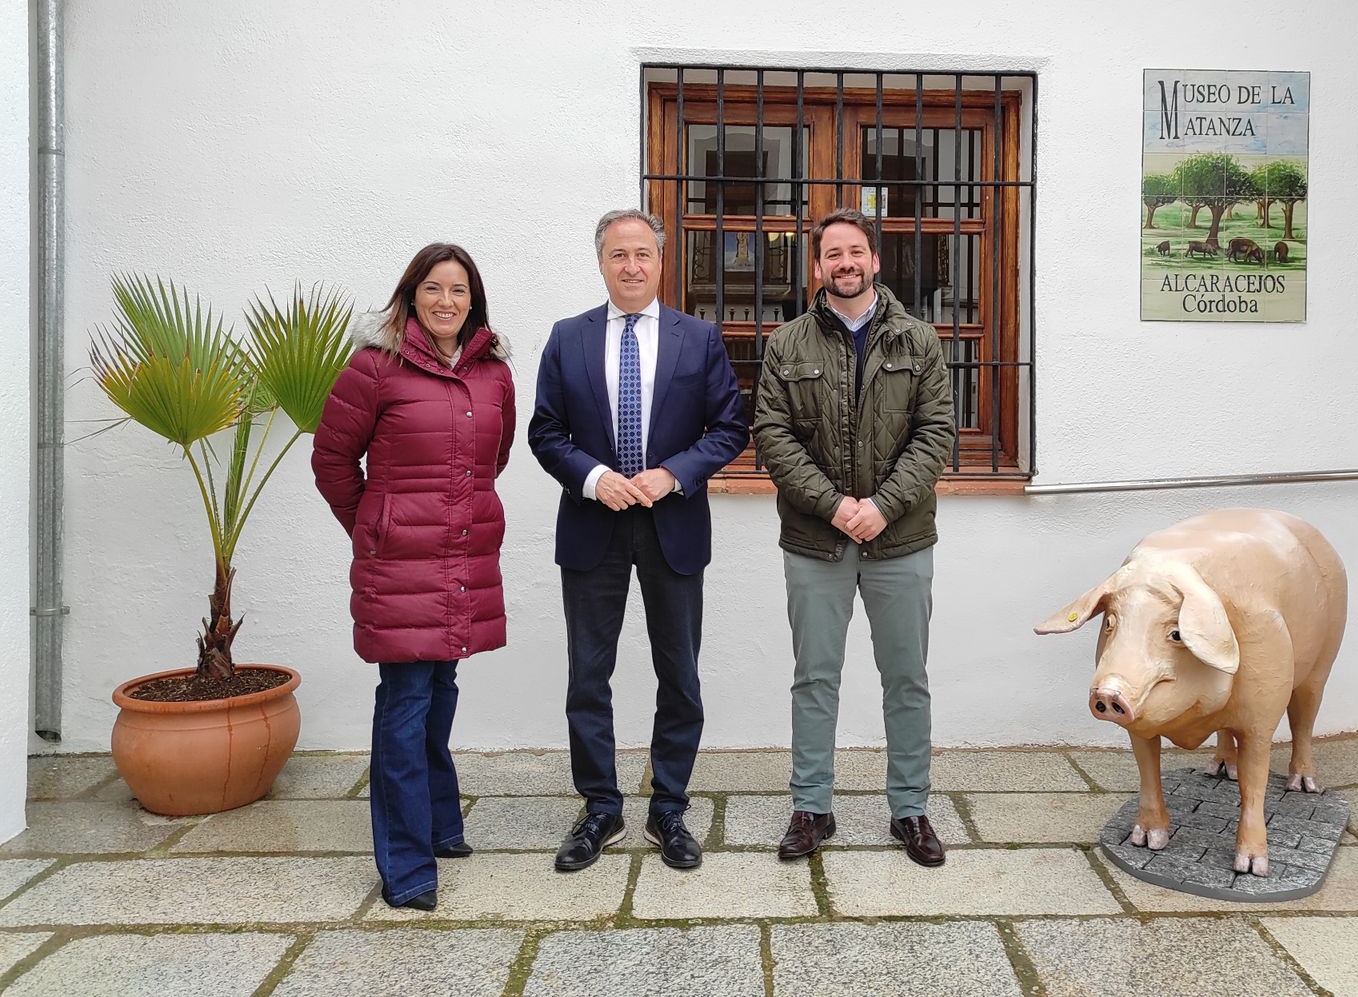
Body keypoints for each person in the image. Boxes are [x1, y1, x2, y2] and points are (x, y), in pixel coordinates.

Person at [529, 209, 748, 872]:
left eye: (642, 255)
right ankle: (600, 805)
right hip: (593, 525)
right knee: (588, 676)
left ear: (661, 261)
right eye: (618, 254)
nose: (631, 266)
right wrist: (596, 478)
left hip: (672, 524)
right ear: (601, 262)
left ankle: (669, 807)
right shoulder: (567, 338)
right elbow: (545, 432)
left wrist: (673, 474)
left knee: (679, 673)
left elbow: (728, 428)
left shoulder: (698, 337)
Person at [311, 243, 516, 911]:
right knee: (404, 701)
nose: (446, 301)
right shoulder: (375, 366)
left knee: (441, 687)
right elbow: (332, 459)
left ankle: (438, 822)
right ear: (411, 294)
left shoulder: (494, 375)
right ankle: (407, 863)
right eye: (434, 288)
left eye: (459, 290)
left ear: (473, 301)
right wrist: (375, 522)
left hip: (460, 557)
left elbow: (494, 458)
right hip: (400, 562)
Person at [752, 208, 957, 867]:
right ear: (818, 266)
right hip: (818, 542)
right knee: (815, 677)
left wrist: (884, 506)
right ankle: (812, 805)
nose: (844, 263)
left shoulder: (918, 340)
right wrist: (837, 505)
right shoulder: (787, 344)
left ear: (875, 260)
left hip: (902, 539)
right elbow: (773, 438)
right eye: (832, 253)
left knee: (907, 677)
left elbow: (936, 435)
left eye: (856, 251)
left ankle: (911, 809)